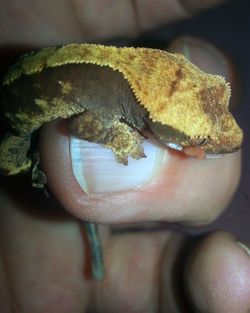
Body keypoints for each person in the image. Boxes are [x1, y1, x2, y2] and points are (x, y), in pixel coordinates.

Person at [0, 1, 249, 312]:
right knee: (11, 163)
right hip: (13, 127)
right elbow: (83, 125)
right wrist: (117, 138)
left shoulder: (126, 81)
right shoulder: (111, 99)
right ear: (154, 119)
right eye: (201, 139)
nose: (231, 137)